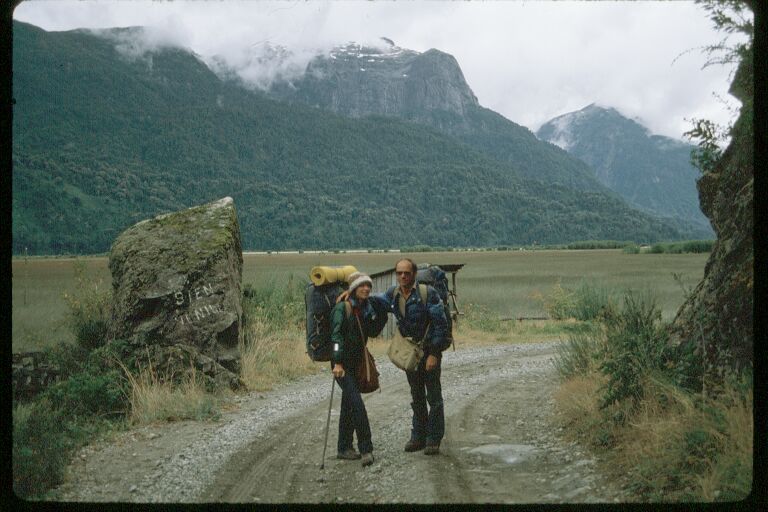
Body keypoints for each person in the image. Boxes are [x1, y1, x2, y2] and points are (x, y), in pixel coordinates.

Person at [380, 258, 449, 455]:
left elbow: (440, 325)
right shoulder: (393, 294)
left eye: (407, 273)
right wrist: (352, 294)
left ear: (414, 274)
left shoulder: (428, 293)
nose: (403, 276)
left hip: (428, 351)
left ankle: (433, 439)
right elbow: (376, 302)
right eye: (399, 273)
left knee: (433, 396)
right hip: (411, 353)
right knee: (416, 394)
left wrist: (434, 354)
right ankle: (418, 436)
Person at [330, 271, 385, 467]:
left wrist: (381, 314)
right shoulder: (342, 309)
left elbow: (374, 331)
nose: (366, 289)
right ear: (353, 289)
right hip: (342, 367)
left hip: (357, 364)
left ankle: (343, 447)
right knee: (358, 405)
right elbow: (335, 339)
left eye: (368, 286)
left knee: (349, 405)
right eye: (362, 285)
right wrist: (337, 362)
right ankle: (366, 449)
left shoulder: (365, 308)